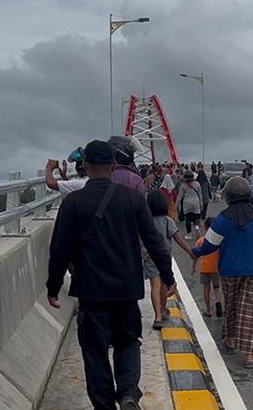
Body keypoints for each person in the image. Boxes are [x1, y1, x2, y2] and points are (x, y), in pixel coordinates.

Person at [47, 140, 188, 410]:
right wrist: (168, 277)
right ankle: (127, 394)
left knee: (94, 349)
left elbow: (60, 250)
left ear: (85, 166)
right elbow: (154, 241)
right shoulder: (133, 198)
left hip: (90, 290)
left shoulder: (73, 202)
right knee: (127, 341)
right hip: (126, 287)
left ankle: (104, 405)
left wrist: (53, 287)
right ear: (113, 165)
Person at [191, 177, 253, 369]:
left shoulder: (222, 218)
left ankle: (230, 340)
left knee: (232, 304)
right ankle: (250, 356)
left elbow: (210, 244)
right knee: (252, 310)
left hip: (229, 270)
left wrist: (194, 253)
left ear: (227, 196)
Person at [144, 190, 194, 330]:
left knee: (155, 285)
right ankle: (164, 310)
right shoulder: (167, 221)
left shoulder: (146, 221)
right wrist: (190, 252)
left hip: (150, 256)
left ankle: (157, 316)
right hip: (164, 258)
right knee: (164, 285)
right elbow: (178, 239)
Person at [193, 217, 224, 318]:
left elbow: (195, 255)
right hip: (216, 268)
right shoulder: (219, 240)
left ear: (205, 227)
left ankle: (208, 310)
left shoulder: (202, 240)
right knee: (217, 288)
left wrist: (193, 267)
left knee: (206, 288)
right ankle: (218, 302)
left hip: (204, 268)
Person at [178, 170, 203, 240]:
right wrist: (201, 204)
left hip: (187, 203)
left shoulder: (183, 185)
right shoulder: (197, 184)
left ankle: (189, 235)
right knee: (196, 218)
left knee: (188, 219)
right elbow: (200, 195)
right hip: (196, 202)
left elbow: (180, 196)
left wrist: (176, 205)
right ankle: (197, 227)